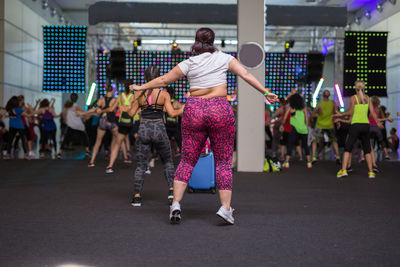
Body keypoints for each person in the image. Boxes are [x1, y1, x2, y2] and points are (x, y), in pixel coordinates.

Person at [130, 28, 277, 225]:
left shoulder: (189, 63)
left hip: (194, 110)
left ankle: (176, 205)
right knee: (223, 162)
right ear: (213, 41)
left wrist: (141, 87)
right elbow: (246, 74)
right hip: (219, 109)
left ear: (196, 42)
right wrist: (265, 92)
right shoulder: (225, 58)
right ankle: (225, 209)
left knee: (187, 161)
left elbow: (164, 80)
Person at [122, 65, 183, 207]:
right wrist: (183, 109)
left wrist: (127, 106)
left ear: (145, 78)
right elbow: (172, 114)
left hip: (143, 128)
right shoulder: (164, 94)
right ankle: (171, 192)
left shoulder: (139, 94)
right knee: (167, 161)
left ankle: (137, 197)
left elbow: (131, 114)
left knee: (141, 164)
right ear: (159, 77)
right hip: (159, 129)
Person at [335, 80, 383, 179]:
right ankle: (371, 172)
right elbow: (373, 113)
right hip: (365, 126)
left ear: (355, 88)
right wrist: (377, 122)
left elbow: (351, 112)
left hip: (355, 125)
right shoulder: (367, 98)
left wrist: (341, 114)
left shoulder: (354, 98)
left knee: (348, 148)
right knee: (367, 150)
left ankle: (343, 170)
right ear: (364, 88)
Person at [106, 80, 136, 173]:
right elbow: (138, 110)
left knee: (117, 144)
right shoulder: (135, 96)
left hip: (123, 122)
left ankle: (110, 166)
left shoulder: (120, 97)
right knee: (140, 143)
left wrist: (100, 111)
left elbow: (111, 109)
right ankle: (145, 167)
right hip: (133, 122)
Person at [89, 85, 119, 167]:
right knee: (117, 139)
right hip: (111, 122)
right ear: (112, 91)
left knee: (98, 141)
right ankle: (111, 160)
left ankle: (92, 161)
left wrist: (83, 113)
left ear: (105, 91)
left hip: (103, 120)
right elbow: (112, 110)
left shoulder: (101, 100)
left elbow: (94, 109)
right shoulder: (115, 100)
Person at [280, 93, 312, 169]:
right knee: (305, 146)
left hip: (294, 128)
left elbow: (284, 118)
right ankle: (309, 163)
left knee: (290, 144)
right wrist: (306, 127)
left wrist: (282, 125)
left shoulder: (290, 108)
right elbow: (306, 119)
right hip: (303, 129)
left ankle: (287, 162)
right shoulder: (304, 108)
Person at [57, 94, 92, 159]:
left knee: (65, 139)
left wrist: (65, 120)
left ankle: (59, 153)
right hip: (78, 126)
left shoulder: (67, 106)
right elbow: (83, 113)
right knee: (85, 138)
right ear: (76, 99)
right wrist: (90, 114)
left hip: (71, 125)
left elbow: (63, 114)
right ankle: (87, 152)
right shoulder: (76, 106)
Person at [312, 90, 340, 164]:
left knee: (315, 141)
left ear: (323, 95)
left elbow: (313, 112)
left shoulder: (320, 103)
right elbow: (336, 113)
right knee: (334, 140)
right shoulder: (332, 103)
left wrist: (314, 116)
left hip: (319, 125)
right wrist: (338, 122)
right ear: (329, 95)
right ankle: (337, 156)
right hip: (330, 124)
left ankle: (314, 157)